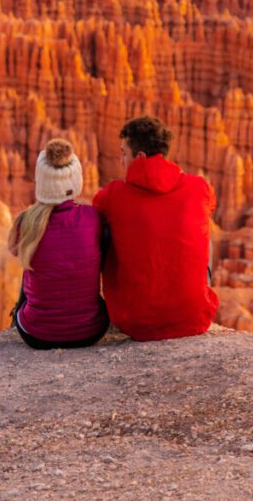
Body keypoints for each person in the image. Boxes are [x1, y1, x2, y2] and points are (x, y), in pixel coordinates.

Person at [93, 116, 218, 342]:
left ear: (140, 157)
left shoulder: (112, 195)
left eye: (123, 153)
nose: (120, 160)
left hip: (135, 322)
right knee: (204, 227)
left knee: (103, 229)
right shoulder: (199, 186)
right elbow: (210, 205)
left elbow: (97, 211)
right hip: (193, 319)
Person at [8, 138, 109, 349]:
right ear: (75, 180)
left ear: (41, 181)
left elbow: (16, 252)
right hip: (90, 331)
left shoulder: (26, 221)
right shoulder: (93, 217)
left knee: (32, 258)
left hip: (36, 334)